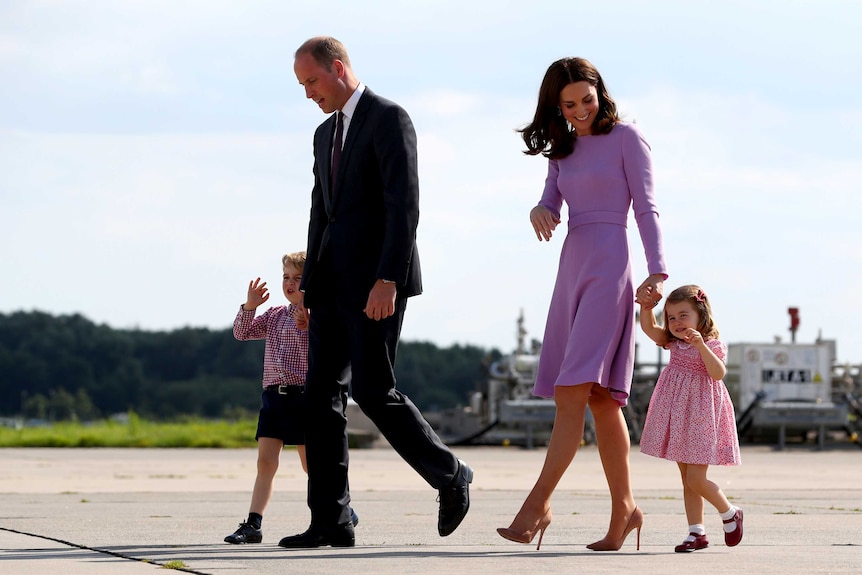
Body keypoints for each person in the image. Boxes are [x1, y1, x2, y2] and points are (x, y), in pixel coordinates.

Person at [278, 36, 472, 549]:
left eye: (312, 81)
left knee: (372, 389)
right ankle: (331, 521)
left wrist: (388, 278)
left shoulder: (389, 118)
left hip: (375, 286)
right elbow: (322, 213)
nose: (308, 94)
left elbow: (404, 204)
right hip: (328, 287)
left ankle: (450, 475)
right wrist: (307, 288)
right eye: (302, 85)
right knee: (318, 400)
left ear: (338, 68)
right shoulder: (323, 135)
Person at [496, 57, 667, 552]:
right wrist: (539, 209)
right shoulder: (561, 148)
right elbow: (552, 201)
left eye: (585, 100)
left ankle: (537, 505)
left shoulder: (628, 138)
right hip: (572, 267)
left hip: (612, 264)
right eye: (568, 105)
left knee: (572, 391)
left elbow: (647, 206)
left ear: (600, 92)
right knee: (597, 399)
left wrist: (658, 270)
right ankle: (626, 511)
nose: (579, 112)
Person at [224, 251, 358, 544]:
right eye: (286, 277)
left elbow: (334, 350)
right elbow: (241, 332)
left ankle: (341, 510)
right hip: (274, 398)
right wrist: (250, 306)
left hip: (303, 398)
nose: (290, 283)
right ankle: (253, 524)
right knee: (266, 462)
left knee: (312, 464)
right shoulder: (273, 315)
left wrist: (310, 325)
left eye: (298, 278)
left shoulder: (321, 316)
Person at [637, 284, 743, 552]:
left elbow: (717, 373)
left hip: (701, 416)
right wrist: (646, 308)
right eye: (671, 317)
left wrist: (700, 345)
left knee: (696, 478)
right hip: (679, 414)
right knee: (687, 478)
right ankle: (697, 532)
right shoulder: (673, 343)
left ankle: (730, 512)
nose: (676, 322)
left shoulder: (712, 345)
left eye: (683, 315)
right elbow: (650, 330)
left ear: (701, 315)